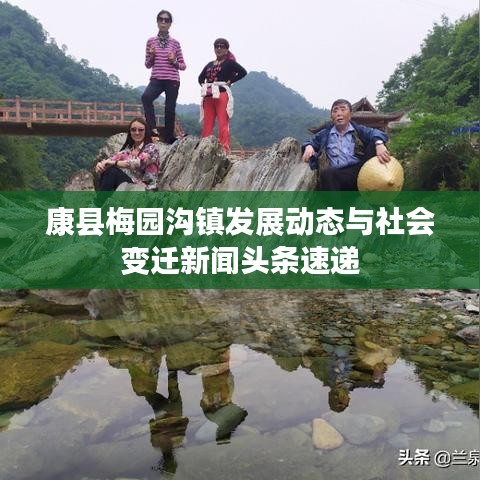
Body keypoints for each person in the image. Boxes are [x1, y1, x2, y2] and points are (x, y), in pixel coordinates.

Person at [301, 99, 391, 190]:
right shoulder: (325, 134)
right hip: (340, 174)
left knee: (374, 143)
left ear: (350, 115)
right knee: (327, 174)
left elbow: (377, 133)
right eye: (335, 111)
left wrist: (379, 143)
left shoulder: (358, 130)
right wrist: (309, 146)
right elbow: (310, 141)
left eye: (343, 109)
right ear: (331, 116)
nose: (339, 114)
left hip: (361, 169)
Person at [142, 10, 186, 144]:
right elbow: (147, 64)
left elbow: (183, 65)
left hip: (172, 79)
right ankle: (153, 130)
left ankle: (168, 138)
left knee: (169, 109)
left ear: (170, 24)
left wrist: (174, 61)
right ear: (157, 22)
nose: (163, 22)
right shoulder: (151, 41)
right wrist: (152, 55)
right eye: (161, 19)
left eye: (166, 20)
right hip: (156, 78)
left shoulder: (175, 43)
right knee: (146, 97)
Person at [198, 38, 247, 153]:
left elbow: (243, 72)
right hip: (209, 96)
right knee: (207, 123)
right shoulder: (209, 64)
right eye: (217, 46)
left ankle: (224, 149)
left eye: (222, 46)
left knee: (223, 122)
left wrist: (231, 81)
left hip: (222, 94)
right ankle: (205, 148)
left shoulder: (230, 63)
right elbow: (200, 78)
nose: (219, 48)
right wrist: (205, 86)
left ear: (226, 49)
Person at [95, 117, 160, 191]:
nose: (137, 132)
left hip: (146, 190)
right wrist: (101, 165)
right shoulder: (126, 152)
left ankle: (100, 198)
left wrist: (113, 163)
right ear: (130, 132)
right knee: (108, 170)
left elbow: (138, 163)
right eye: (133, 130)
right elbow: (109, 161)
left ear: (146, 131)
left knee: (112, 170)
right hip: (130, 188)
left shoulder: (152, 148)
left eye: (141, 130)